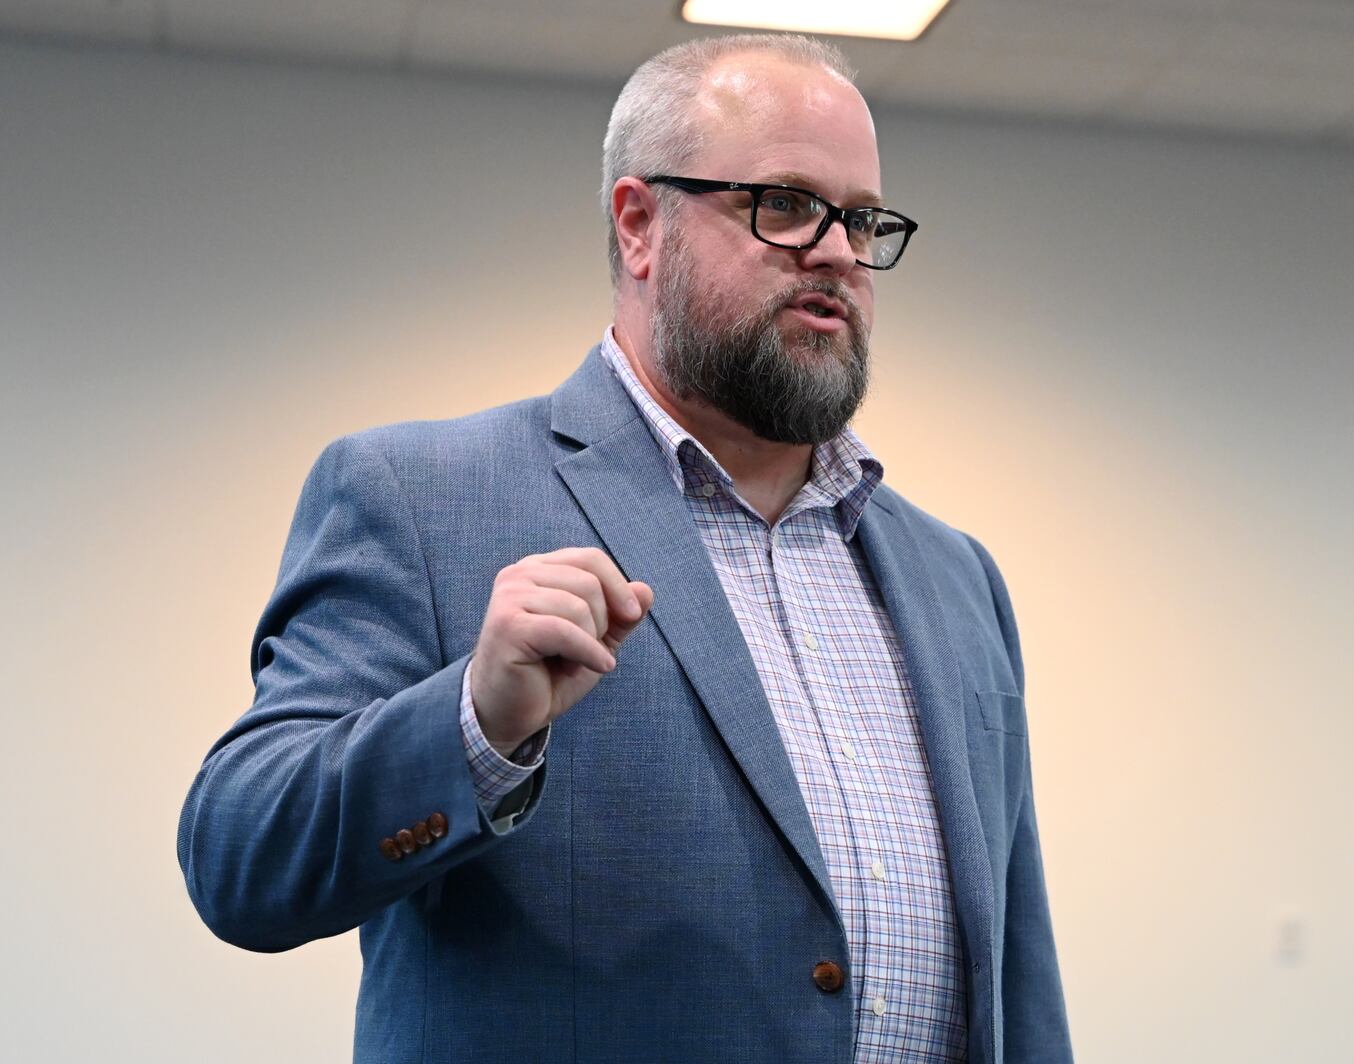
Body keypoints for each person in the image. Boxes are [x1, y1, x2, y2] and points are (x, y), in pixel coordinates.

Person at [178, 32, 1072, 1064]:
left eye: (861, 220)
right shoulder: (417, 498)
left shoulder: (957, 579)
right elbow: (239, 859)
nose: (836, 251)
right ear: (640, 224)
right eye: (782, 204)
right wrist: (474, 720)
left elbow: (1015, 972)